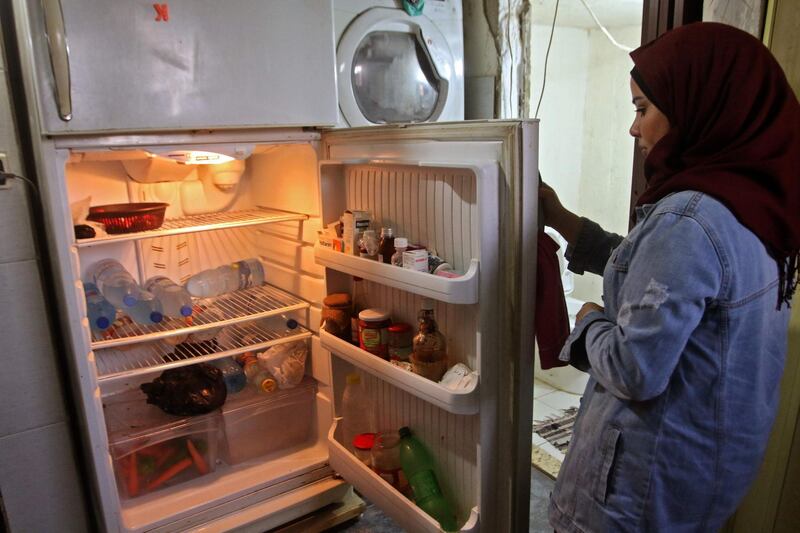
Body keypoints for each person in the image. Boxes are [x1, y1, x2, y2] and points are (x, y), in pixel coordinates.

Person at [541, 22, 800, 532]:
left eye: (642, 109)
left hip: (637, 492)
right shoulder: (754, 206)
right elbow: (667, 278)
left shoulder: (688, 219)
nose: (633, 129)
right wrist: (561, 218)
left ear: (697, 107)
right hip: (701, 472)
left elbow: (635, 367)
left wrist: (590, 321)